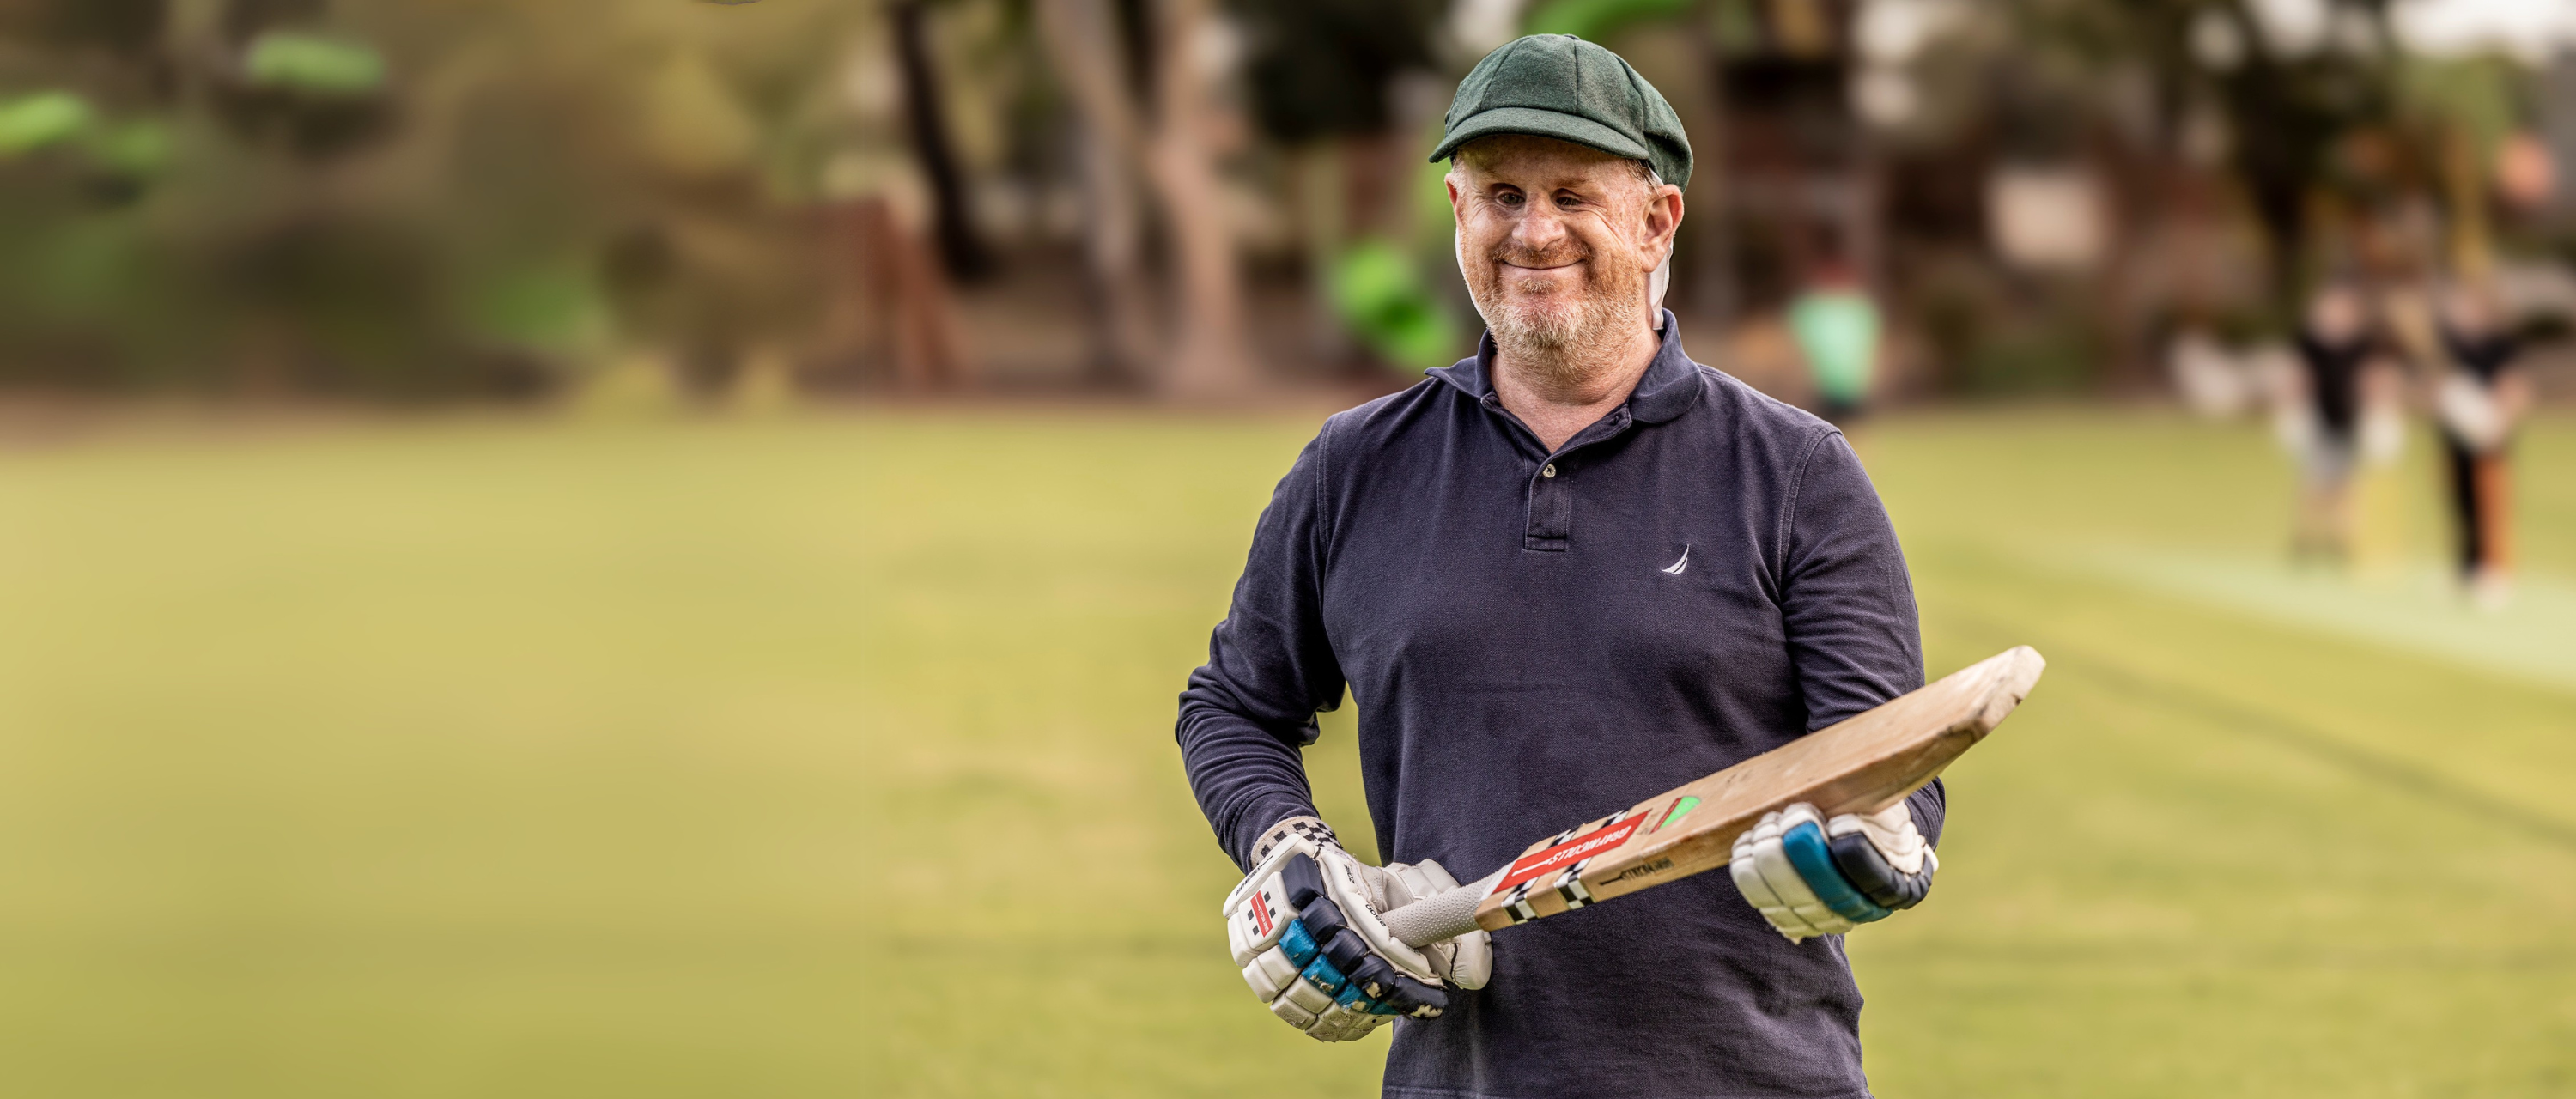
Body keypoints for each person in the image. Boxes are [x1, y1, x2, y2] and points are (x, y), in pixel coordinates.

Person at [1178, 35, 1941, 1097]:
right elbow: (1232, 704)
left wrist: (1869, 839)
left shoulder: (1797, 473)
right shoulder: (1354, 467)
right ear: (1457, 216)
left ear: (1656, 219)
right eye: (1500, 194)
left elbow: (1893, 767)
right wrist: (1294, 849)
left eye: (1573, 193)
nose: (1534, 230)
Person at [2433, 282, 2531, 606]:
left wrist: (2498, 424)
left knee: (2490, 506)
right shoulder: (2448, 346)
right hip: (2454, 439)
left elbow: (2515, 389)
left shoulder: (2501, 346)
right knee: (2460, 505)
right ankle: (2466, 569)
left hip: (2489, 437)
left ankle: (2495, 573)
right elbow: (2436, 387)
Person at [2283, 282, 2389, 565]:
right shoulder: (2310, 342)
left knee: (2346, 483)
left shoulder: (2362, 344)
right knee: (2316, 482)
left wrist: (2379, 410)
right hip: (2318, 419)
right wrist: (2291, 409)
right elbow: (2299, 376)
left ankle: (2342, 539)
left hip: (2348, 419)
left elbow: (2372, 378)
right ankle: (2306, 538)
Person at [1788, 235, 1883, 423]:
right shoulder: (1810, 308)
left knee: (1855, 430)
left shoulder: (1859, 308)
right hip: (1819, 385)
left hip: (1853, 384)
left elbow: (1870, 346)